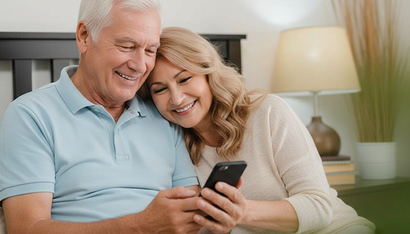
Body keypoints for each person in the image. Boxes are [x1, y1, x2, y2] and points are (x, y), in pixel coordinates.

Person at [0, 0, 235, 234]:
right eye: (127, 46)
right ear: (84, 36)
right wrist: (139, 226)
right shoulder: (31, 116)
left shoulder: (164, 114)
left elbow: (189, 217)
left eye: (150, 50)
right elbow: (27, 229)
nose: (140, 65)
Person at [140, 27, 376, 234]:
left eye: (184, 79)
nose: (177, 98)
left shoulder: (267, 111)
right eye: (160, 90)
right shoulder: (173, 147)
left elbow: (319, 206)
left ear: (208, 73)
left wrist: (242, 212)